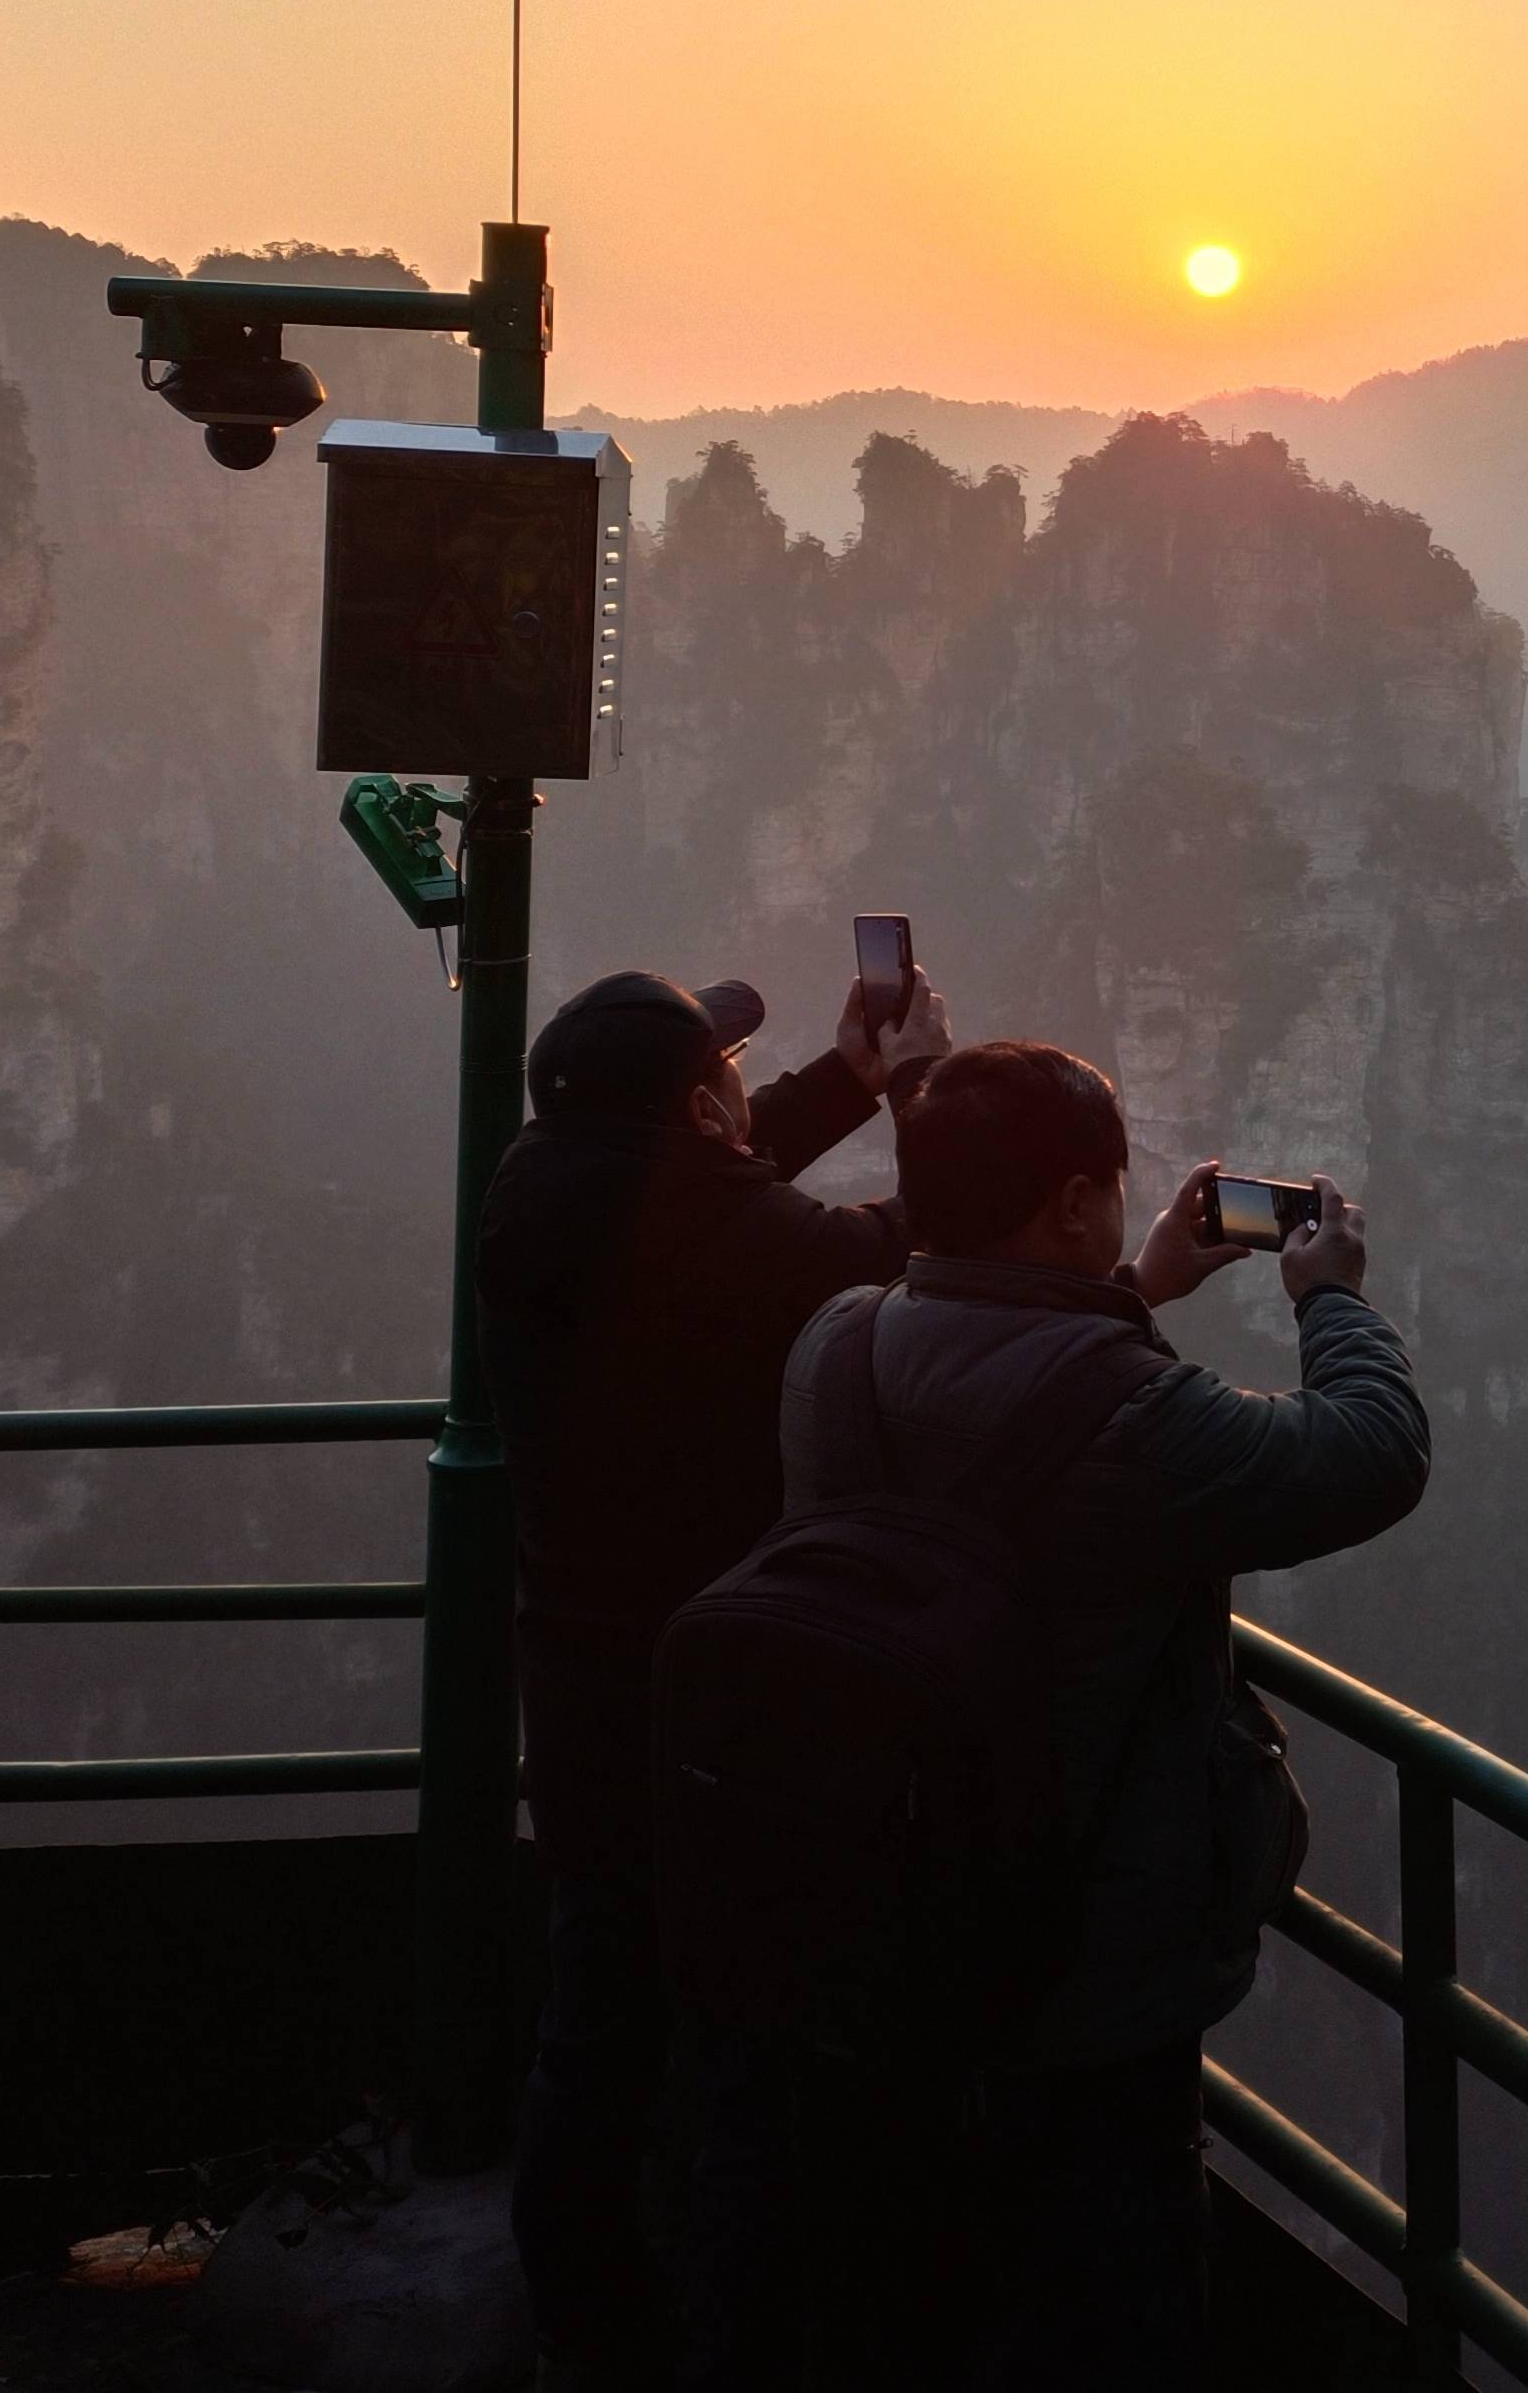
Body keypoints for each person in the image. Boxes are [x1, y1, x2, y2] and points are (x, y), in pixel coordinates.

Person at [801, 1041, 1430, 2391]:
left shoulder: (831, 1350)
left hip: (863, 1919)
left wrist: (1135, 1280)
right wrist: (1332, 1299)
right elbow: (1371, 1453)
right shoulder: (1144, 1428)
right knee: (1108, 2308)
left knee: (911, 2288)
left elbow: (996, 1402)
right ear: (1077, 1202)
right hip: (1076, 1972)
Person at [482, 954, 950, 2390]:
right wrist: (923, 1090)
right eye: (731, 1077)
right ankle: (724, 2346)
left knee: (592, 2030)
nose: (749, 1093)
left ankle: (579, 2326)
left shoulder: (535, 1187)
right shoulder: (731, 1235)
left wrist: (841, 1083)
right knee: (744, 2046)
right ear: (696, 1108)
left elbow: (712, 1190)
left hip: (576, 1692)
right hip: (719, 1707)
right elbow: (911, 1239)